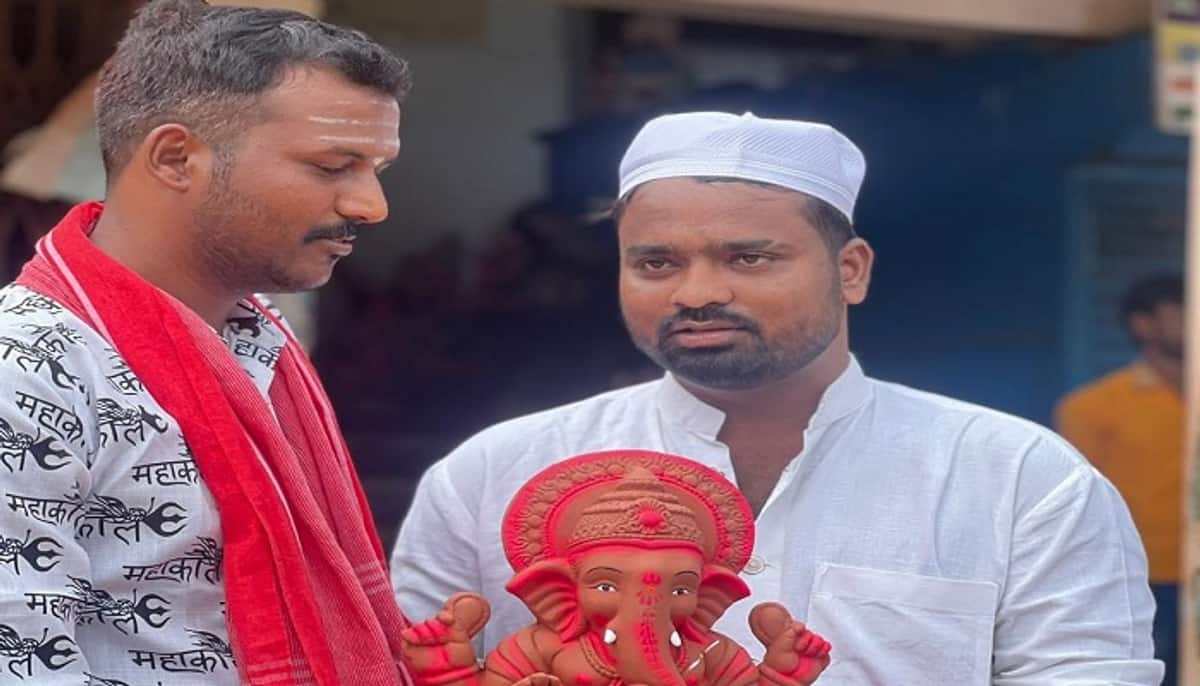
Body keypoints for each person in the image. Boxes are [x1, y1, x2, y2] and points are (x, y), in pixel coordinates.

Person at [390, 111, 1162, 683]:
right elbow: (399, 664)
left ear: (851, 270)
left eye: (750, 258)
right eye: (656, 263)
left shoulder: (1020, 479)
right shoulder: (492, 474)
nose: (699, 292)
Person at [0, 1, 413, 684]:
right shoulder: (30, 368)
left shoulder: (261, 345)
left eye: (377, 171)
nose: (371, 206)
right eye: (334, 165)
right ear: (174, 157)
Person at [1055, 274, 1184, 685]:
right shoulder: (1092, 407)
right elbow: (1075, 505)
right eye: (1182, 309)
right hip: (1140, 581)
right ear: (1143, 324)